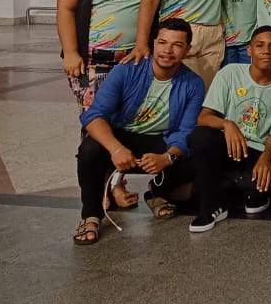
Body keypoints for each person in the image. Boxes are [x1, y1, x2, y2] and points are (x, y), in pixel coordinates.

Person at [57, 0, 157, 212]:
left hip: (135, 58)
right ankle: (99, 191)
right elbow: (66, 7)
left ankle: (116, 183)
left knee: (125, 123)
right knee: (95, 125)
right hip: (93, 58)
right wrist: (71, 52)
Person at [72, 18, 205, 244]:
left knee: (198, 150)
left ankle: (157, 192)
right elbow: (93, 116)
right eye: (162, 42)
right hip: (122, 135)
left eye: (177, 45)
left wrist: (168, 157)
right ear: (153, 43)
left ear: (187, 50)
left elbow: (186, 131)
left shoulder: (193, 84)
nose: (168, 51)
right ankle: (91, 215)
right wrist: (115, 149)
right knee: (90, 149)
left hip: (159, 140)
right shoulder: (126, 70)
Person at [186, 25, 271, 232]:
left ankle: (224, 184)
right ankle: (210, 206)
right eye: (259, 46)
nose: (266, 51)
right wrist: (227, 124)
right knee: (200, 137)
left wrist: (266, 158)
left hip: (256, 151)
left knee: (255, 200)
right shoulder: (230, 73)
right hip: (229, 145)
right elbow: (204, 117)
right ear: (249, 50)